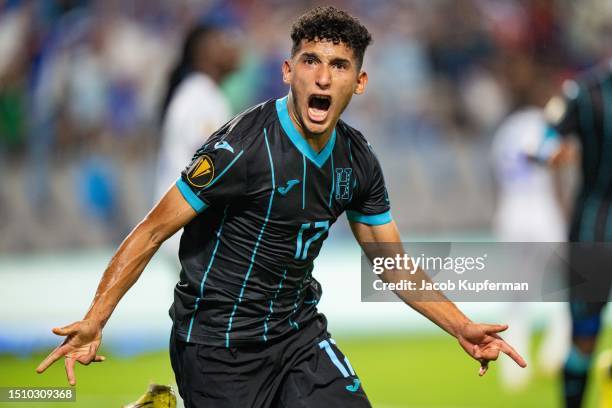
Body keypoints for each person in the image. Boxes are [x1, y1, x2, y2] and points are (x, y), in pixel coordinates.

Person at [36, 7, 526, 407]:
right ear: (288, 71)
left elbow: (392, 264)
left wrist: (461, 325)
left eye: (339, 66)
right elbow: (150, 231)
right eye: (311, 61)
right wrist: (96, 318)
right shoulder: (240, 148)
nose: (323, 77)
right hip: (214, 347)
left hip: (298, 339)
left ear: (359, 82)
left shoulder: (358, 161)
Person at [542, 60, 612, 408]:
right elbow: (544, 138)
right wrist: (550, 153)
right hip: (593, 227)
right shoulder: (585, 92)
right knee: (584, 335)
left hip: (591, 224)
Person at [155, 21, 240, 257]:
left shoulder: (204, 93)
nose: (233, 47)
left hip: (188, 226)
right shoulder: (200, 96)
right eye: (223, 41)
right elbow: (213, 162)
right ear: (204, 52)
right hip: (192, 229)